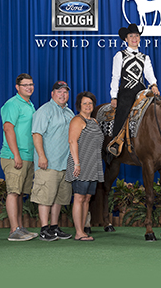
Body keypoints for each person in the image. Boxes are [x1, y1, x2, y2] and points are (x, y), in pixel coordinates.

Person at [31, 80, 75, 241]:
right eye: (59, 92)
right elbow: (36, 134)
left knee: (59, 197)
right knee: (45, 196)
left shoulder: (69, 112)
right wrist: (42, 156)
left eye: (65, 92)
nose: (62, 95)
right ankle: (44, 228)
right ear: (52, 94)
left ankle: (54, 227)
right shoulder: (45, 110)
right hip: (48, 163)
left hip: (64, 163)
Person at [107, 23, 160, 156]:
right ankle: (116, 141)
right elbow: (115, 77)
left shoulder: (145, 57)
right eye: (131, 36)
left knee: (157, 105)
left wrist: (153, 85)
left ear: (140, 38)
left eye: (136, 35)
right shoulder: (120, 55)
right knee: (123, 109)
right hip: (126, 90)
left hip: (141, 90)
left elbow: (149, 74)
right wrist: (114, 96)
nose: (134, 38)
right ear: (126, 39)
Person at [0, 73, 38, 241]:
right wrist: (16, 155)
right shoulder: (12, 104)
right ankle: (13, 230)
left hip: (28, 156)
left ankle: (20, 228)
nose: (29, 87)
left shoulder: (30, 105)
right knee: (13, 192)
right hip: (15, 156)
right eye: (25, 85)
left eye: (31, 84)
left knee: (21, 193)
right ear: (17, 87)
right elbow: (8, 129)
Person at [65, 92, 104, 241]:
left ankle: (82, 230)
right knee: (79, 198)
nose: (88, 106)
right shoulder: (77, 120)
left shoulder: (94, 121)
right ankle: (78, 232)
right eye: (84, 103)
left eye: (90, 103)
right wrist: (77, 163)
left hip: (93, 165)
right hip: (80, 165)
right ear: (79, 106)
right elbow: (72, 141)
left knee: (87, 198)